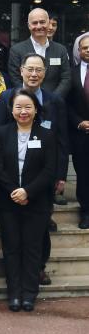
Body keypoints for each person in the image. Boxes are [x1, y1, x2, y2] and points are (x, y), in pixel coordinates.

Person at [0, 53, 69, 285]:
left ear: (44, 73)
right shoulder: (7, 97)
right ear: (21, 71)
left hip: (42, 177)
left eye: (39, 70)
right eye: (30, 69)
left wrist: (60, 175)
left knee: (41, 227)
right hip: (11, 177)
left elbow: (62, 140)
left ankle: (38, 268)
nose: (34, 74)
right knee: (14, 231)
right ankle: (17, 276)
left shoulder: (54, 100)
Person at [0, 89, 57, 312]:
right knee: (11, 248)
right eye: (18, 107)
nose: (23, 111)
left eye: (28, 107)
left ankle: (30, 293)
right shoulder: (1, 133)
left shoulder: (47, 134)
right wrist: (14, 191)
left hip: (37, 201)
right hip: (7, 200)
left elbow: (50, 170)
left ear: (36, 110)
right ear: (11, 110)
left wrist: (27, 192)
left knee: (32, 248)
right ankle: (14, 294)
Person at [8, 8, 71, 98]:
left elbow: (66, 78)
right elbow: (15, 79)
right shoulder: (16, 50)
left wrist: (53, 99)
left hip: (54, 105)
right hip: (27, 105)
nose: (38, 26)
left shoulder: (61, 50)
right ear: (29, 25)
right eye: (34, 23)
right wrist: (30, 99)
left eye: (42, 22)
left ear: (48, 23)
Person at [66, 34, 89, 229]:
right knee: (83, 174)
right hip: (81, 133)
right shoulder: (71, 73)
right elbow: (66, 103)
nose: (88, 50)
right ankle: (86, 212)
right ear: (78, 51)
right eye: (84, 48)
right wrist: (79, 122)